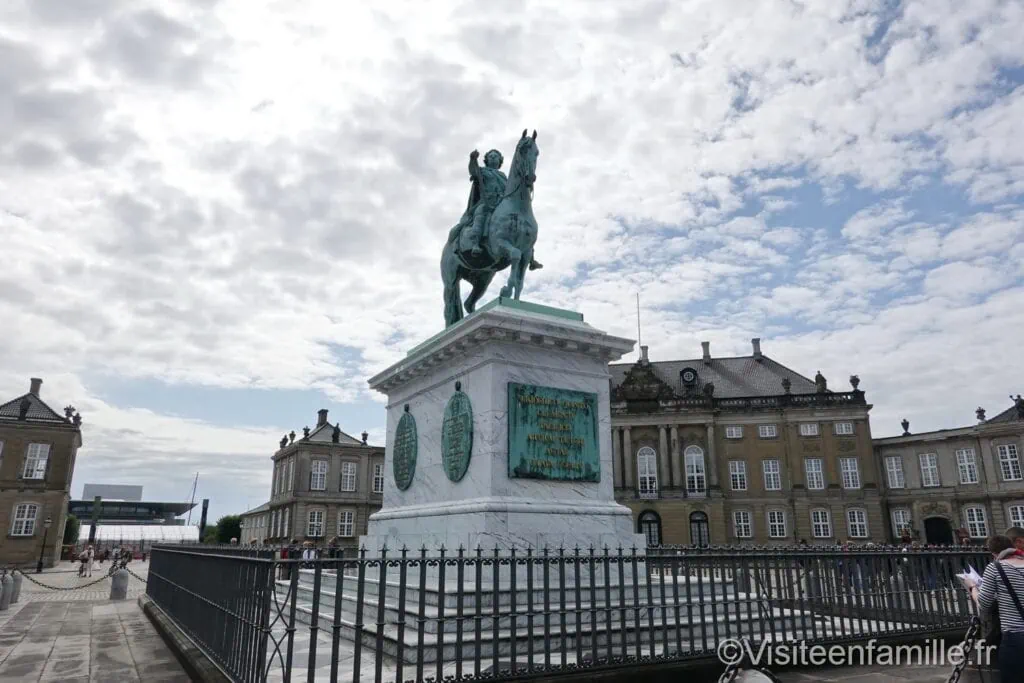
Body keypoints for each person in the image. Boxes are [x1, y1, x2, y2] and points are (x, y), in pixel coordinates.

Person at [462, 148, 542, 269]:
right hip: (487, 202)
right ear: (486, 160)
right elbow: (473, 171)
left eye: (496, 156)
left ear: (500, 161)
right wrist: (473, 160)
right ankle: (475, 243)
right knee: (481, 213)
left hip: (501, 204)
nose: (493, 158)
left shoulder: (504, 176)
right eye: (490, 156)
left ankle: (530, 257)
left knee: (522, 223)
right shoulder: (482, 171)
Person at [966, 534, 1024, 678]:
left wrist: (973, 587)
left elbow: (984, 604)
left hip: (1015, 637)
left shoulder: (995, 568)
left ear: (993, 554)